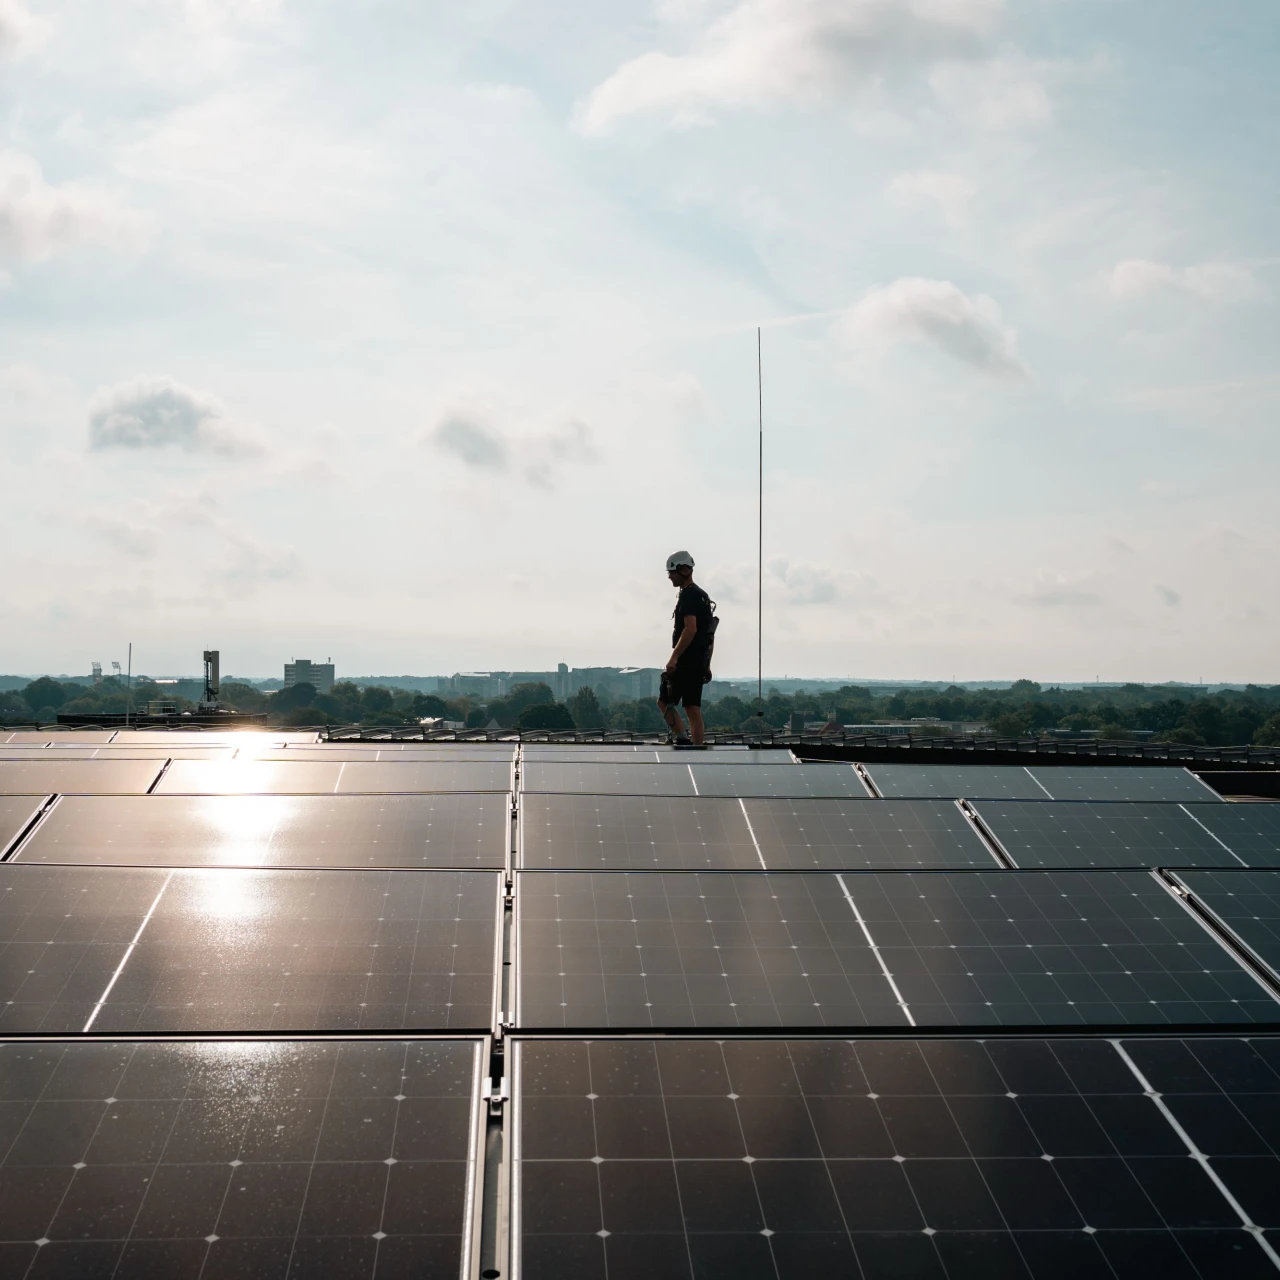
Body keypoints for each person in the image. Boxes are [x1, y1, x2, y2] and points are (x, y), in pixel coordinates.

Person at [657, 550, 712, 745]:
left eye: (671, 572)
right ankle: (697, 747)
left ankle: (682, 739)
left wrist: (674, 658)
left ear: (683, 570)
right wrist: (707, 664)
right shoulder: (702, 596)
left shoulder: (688, 595)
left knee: (664, 701)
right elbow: (709, 635)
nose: (670, 577)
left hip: (686, 661)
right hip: (698, 662)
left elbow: (690, 629)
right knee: (692, 708)